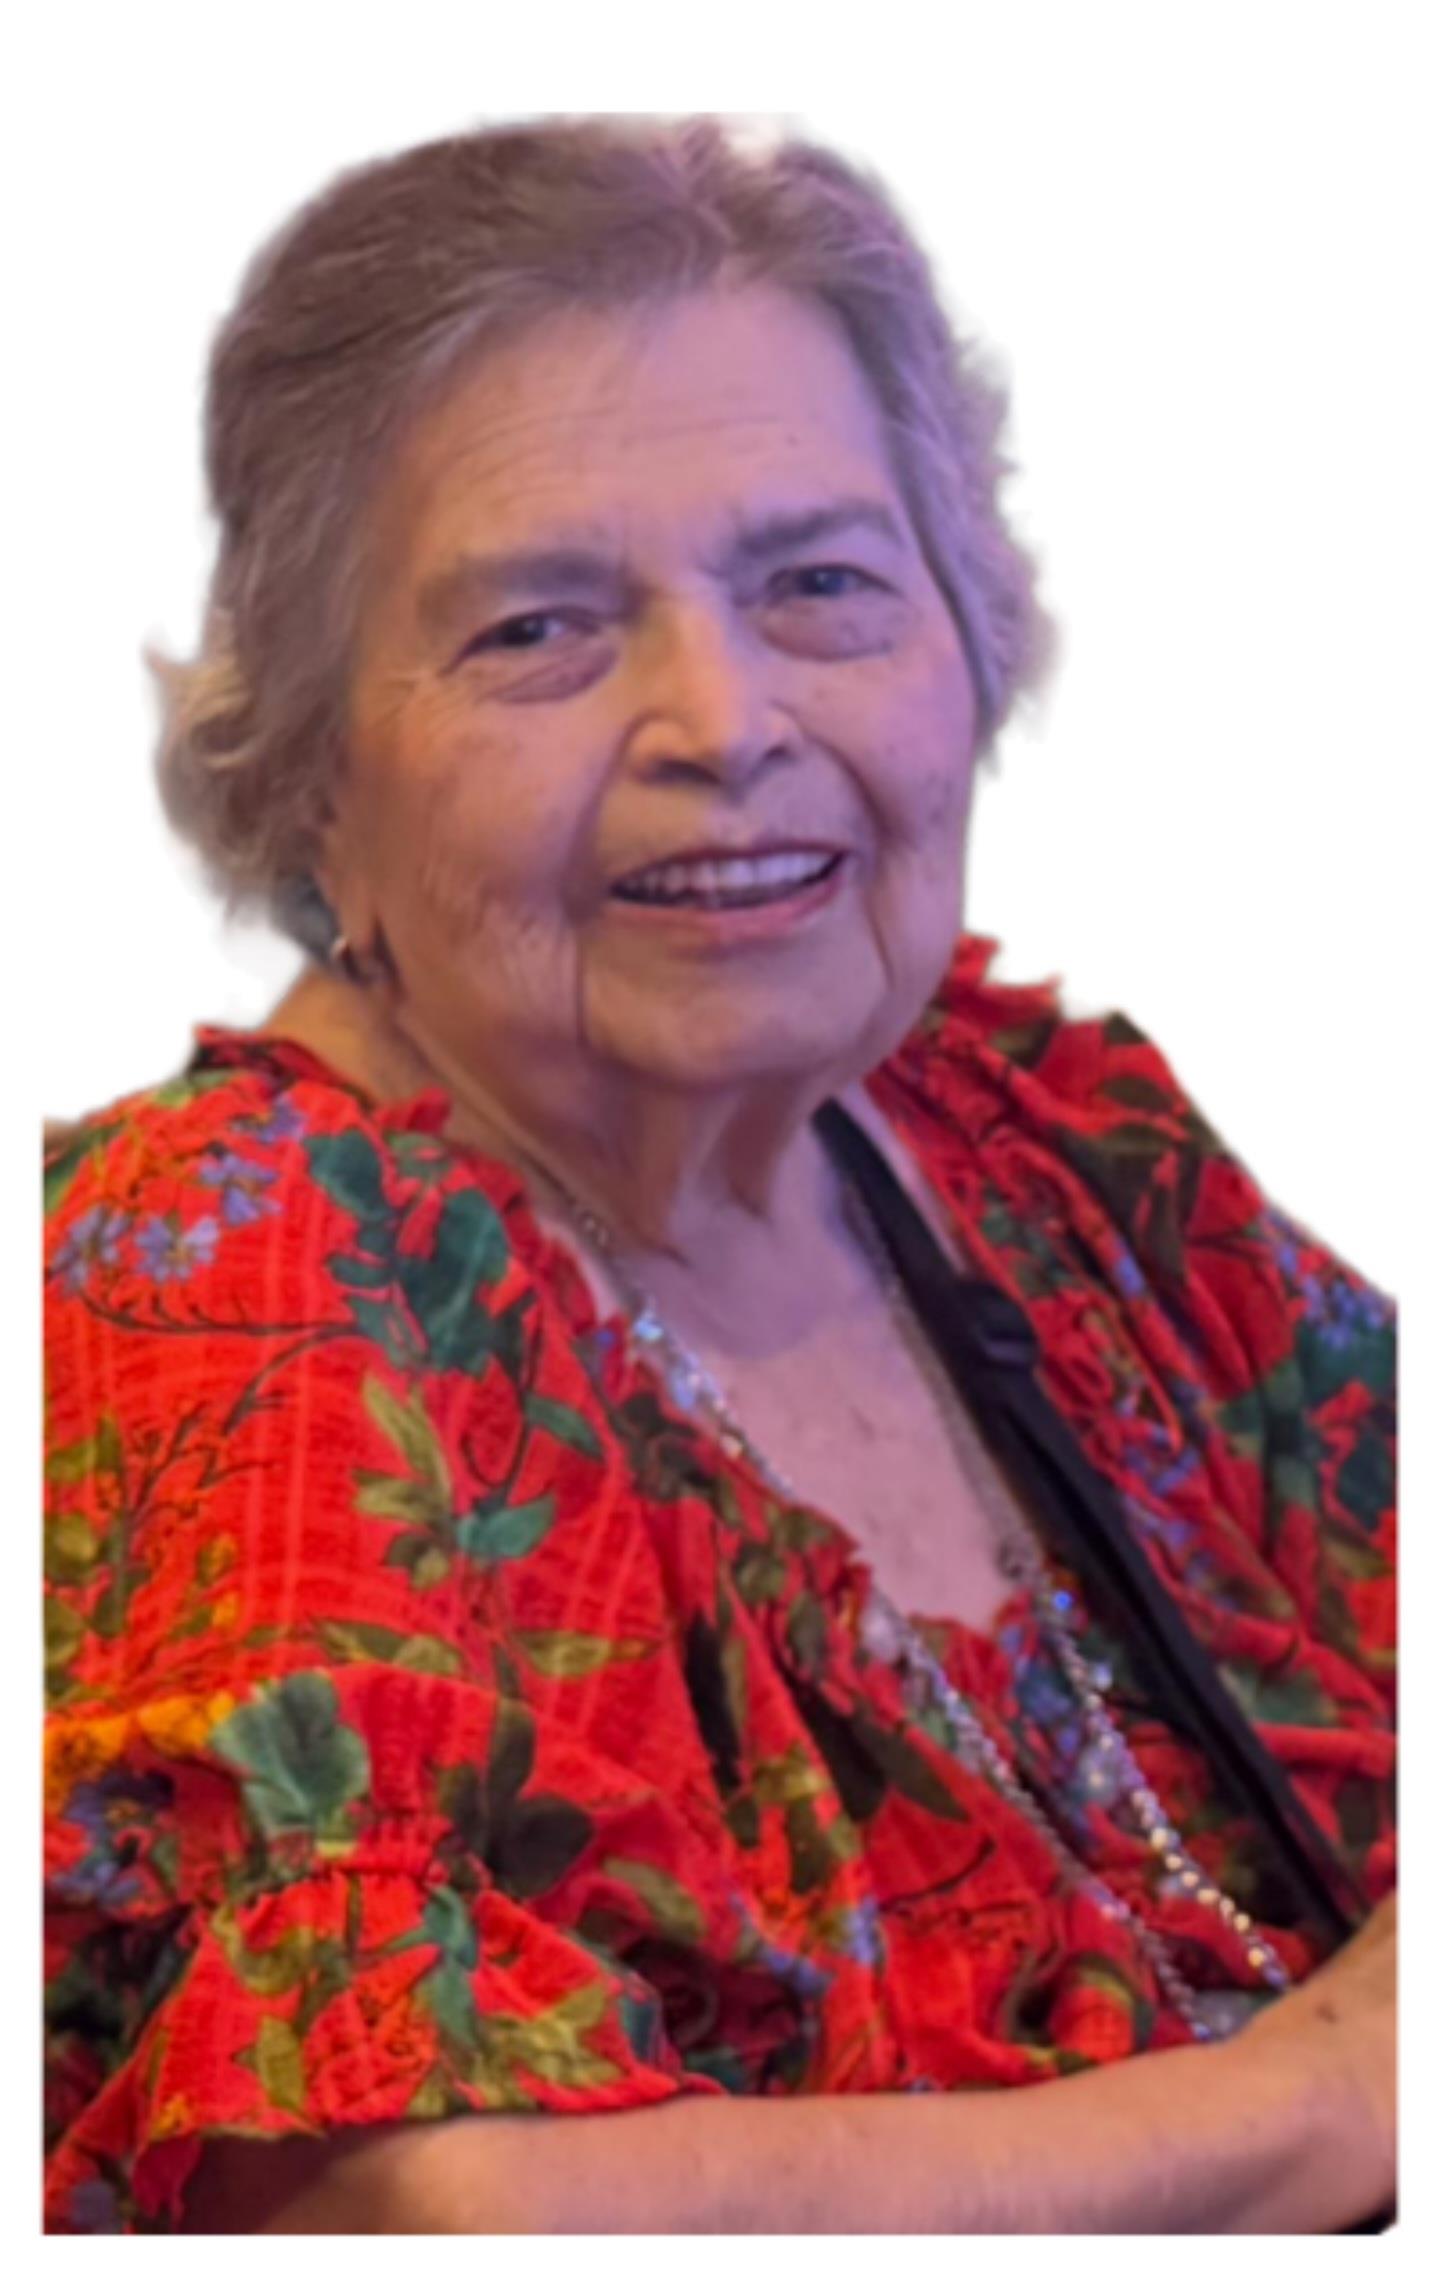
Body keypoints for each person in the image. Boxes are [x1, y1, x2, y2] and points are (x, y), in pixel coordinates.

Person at [42, 114, 1396, 2236]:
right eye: (538, 633)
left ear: (971, 635)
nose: (724, 714)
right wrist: (1328, 2109)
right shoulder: (231, 1275)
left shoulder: (1041, 1145)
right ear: (306, 772)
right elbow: (424, 2221)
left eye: (822, 583)